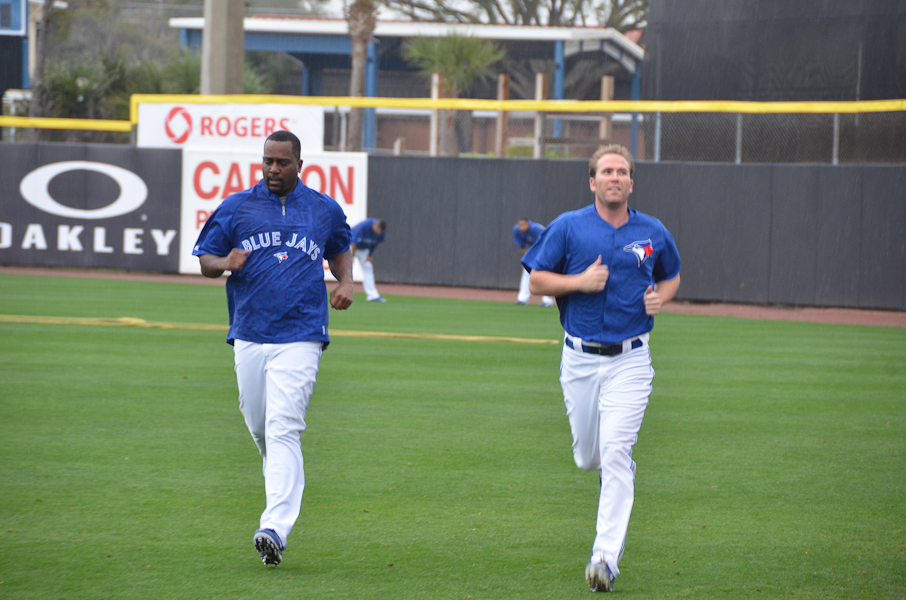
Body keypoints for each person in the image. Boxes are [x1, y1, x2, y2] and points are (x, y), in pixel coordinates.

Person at [521, 144, 681, 592]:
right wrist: (579, 283)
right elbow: (536, 279)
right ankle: (611, 468)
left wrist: (661, 298)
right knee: (588, 456)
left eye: (622, 172)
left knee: (615, 453)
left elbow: (671, 275)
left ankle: (604, 558)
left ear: (632, 182)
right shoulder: (569, 227)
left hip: (631, 359)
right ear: (592, 181)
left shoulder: (652, 230)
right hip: (579, 360)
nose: (614, 177)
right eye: (606, 171)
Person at [192, 130, 354, 567]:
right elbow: (206, 258)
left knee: (284, 426)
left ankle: (274, 527)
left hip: (301, 334)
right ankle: (279, 497)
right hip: (248, 332)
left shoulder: (322, 208)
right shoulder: (237, 207)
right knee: (262, 428)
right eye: (267, 161)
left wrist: (346, 280)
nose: (273, 169)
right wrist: (225, 262)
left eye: (282, 162)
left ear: (299, 164)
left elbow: (341, 245)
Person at [512, 218, 554, 307]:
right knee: (526, 271)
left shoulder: (535, 229)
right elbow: (522, 247)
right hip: (537, 250)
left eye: (524, 225)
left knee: (544, 273)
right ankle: (522, 299)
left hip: (549, 248)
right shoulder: (517, 230)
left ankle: (547, 300)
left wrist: (536, 259)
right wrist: (526, 260)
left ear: (528, 224)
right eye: (520, 225)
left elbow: (543, 245)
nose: (522, 227)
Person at [350, 218, 387, 302]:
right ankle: (341, 290)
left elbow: (375, 243)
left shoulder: (381, 232)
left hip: (364, 249)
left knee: (368, 267)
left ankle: (373, 295)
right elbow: (354, 242)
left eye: (380, 231)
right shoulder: (365, 226)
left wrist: (370, 255)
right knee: (346, 268)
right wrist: (351, 256)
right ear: (374, 225)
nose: (378, 232)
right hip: (350, 246)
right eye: (378, 230)